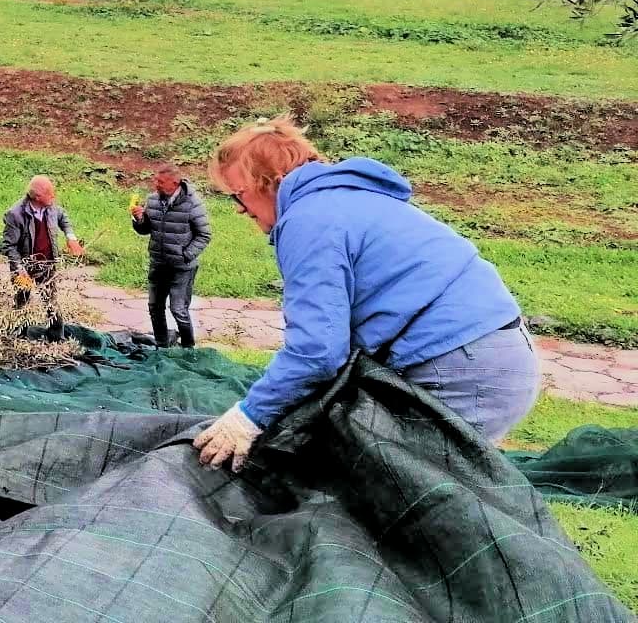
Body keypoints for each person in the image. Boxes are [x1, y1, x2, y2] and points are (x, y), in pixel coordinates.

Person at [194, 118, 537, 472]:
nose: (238, 207)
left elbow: (316, 352)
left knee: (403, 494)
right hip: (492, 356)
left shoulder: (309, 219)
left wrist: (249, 416)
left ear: (269, 182)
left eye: (238, 194)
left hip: (460, 367)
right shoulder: (346, 198)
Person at [130, 163, 211, 347]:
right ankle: (161, 345)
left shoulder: (193, 203)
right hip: (158, 263)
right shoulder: (152, 200)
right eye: (155, 180)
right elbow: (145, 230)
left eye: (160, 181)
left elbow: (204, 234)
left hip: (182, 267)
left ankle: (188, 347)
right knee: (154, 307)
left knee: (179, 309)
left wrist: (185, 255)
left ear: (175, 182)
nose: (156, 184)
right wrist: (139, 219)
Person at [1, 176, 83, 332]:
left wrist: (71, 237)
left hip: (47, 262)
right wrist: (20, 270)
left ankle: (57, 337)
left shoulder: (50, 206)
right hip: (25, 266)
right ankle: (18, 335)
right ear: (38, 197)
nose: (54, 196)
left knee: (51, 300)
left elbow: (62, 217)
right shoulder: (15, 214)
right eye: (50, 193)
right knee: (22, 300)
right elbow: (9, 246)